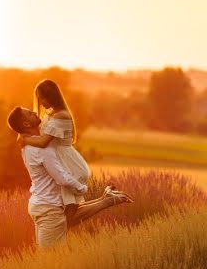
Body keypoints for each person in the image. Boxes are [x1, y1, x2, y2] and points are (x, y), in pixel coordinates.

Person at [7, 106, 132, 248]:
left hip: (44, 206)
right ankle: (108, 200)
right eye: (30, 113)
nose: (34, 112)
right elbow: (61, 177)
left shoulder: (29, 143)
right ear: (26, 124)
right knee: (50, 258)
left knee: (62, 231)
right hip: (47, 208)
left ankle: (107, 200)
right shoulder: (40, 148)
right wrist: (81, 187)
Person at [19, 79, 92, 223]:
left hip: (69, 165)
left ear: (52, 96)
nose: (41, 102)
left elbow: (43, 141)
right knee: (66, 218)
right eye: (39, 98)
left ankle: (107, 201)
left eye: (43, 97)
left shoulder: (61, 115)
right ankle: (106, 199)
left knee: (68, 219)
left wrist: (24, 140)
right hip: (61, 163)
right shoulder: (51, 114)